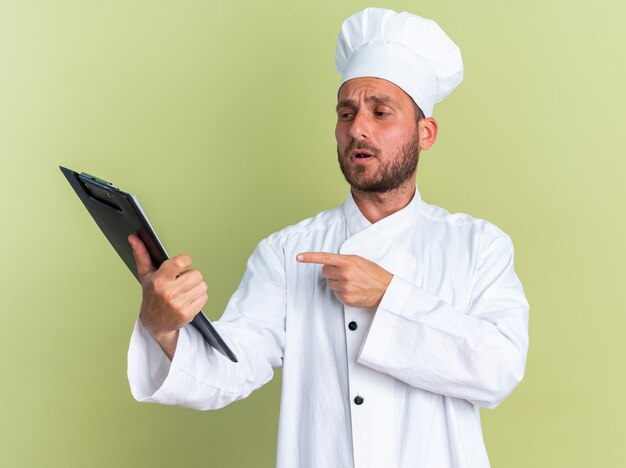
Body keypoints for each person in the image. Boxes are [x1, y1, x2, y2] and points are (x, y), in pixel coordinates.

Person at [127, 8, 529, 468]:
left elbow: (497, 370)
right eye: (346, 113)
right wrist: (163, 326)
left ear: (425, 134)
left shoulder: (478, 246)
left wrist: (388, 295)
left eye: (381, 112)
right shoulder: (286, 251)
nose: (358, 128)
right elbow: (231, 368)